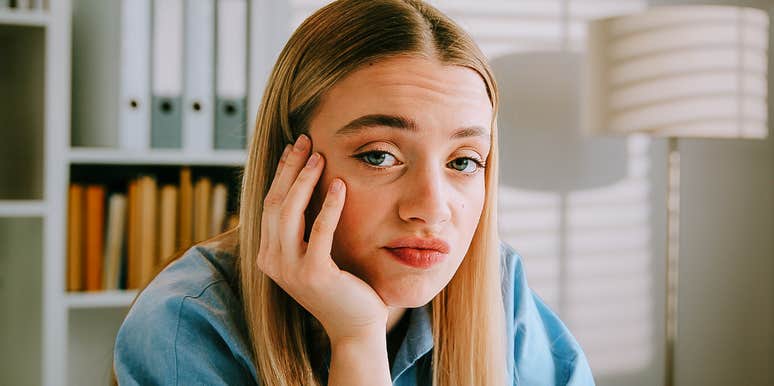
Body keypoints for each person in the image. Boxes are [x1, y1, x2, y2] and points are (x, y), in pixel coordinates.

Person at [113, 0, 594, 385]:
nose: (430, 209)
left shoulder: (499, 285)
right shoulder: (188, 323)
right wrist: (357, 341)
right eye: (379, 155)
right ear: (289, 165)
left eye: (463, 161)